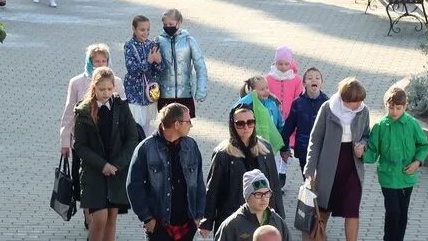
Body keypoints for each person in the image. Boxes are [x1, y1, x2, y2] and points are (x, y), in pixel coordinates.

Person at [74, 66, 142, 241]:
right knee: (100, 217)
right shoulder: (84, 111)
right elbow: (80, 146)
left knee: (112, 217)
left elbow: (132, 137)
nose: (106, 93)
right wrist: (102, 165)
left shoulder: (121, 107)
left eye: (109, 89)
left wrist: (117, 165)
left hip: (117, 172)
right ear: (94, 87)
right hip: (94, 172)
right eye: (102, 89)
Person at [126, 103, 206, 241]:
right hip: (159, 226)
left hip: (187, 225)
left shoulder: (191, 146)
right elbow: (134, 186)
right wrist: (147, 219)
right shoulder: (145, 148)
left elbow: (199, 182)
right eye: (188, 121)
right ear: (177, 124)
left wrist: (198, 216)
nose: (191, 125)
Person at [304, 78, 371, 241]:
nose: (358, 105)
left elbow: (367, 135)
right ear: (344, 99)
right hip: (329, 166)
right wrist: (310, 169)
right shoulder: (328, 108)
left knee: (352, 209)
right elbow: (315, 139)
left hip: (353, 165)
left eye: (360, 101)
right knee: (323, 208)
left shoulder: (363, 110)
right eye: (354, 102)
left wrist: (362, 145)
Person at [202, 106, 284, 233]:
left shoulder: (265, 149)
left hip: (263, 218)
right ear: (232, 125)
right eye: (240, 123)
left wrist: (280, 218)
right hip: (234, 219)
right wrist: (207, 222)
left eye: (250, 122)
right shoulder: (223, 153)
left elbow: (275, 185)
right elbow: (213, 189)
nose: (246, 127)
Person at [364, 86, 428, 241]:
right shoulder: (380, 126)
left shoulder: (412, 124)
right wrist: (361, 154)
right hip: (388, 177)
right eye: (391, 107)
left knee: (402, 212)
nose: (394, 112)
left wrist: (418, 162)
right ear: (385, 105)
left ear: (405, 106)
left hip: (407, 176)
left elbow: (424, 145)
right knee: (393, 211)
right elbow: (373, 151)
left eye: (398, 108)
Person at [60, 45, 127, 157]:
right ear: (90, 62)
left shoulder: (117, 82)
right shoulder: (76, 82)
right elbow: (69, 113)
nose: (100, 65)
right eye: (96, 61)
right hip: (84, 139)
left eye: (103, 61)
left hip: (110, 139)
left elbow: (124, 112)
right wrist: (65, 142)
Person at [156, 9, 208, 115]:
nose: (167, 26)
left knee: (184, 126)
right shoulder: (158, 41)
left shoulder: (189, 41)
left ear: (179, 23)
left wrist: (201, 90)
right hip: (165, 95)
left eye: (171, 24)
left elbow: (200, 67)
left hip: (185, 94)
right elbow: (153, 67)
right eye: (165, 24)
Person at [213, 170, 290, 241]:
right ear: (247, 197)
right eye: (258, 194)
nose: (264, 198)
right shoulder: (232, 225)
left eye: (267, 193)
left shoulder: (277, 222)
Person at [280, 67, 327, 175]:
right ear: (304, 83)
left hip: (323, 149)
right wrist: (284, 148)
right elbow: (289, 126)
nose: (314, 80)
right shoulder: (298, 103)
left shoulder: (327, 103)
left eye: (317, 78)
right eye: (310, 78)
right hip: (303, 148)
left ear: (322, 83)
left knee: (322, 180)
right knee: (308, 179)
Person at [124, 15, 163, 127]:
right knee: (134, 125)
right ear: (134, 29)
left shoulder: (152, 45)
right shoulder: (129, 46)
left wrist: (159, 62)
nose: (145, 33)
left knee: (147, 125)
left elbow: (158, 71)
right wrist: (148, 61)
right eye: (142, 30)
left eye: (148, 29)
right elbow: (132, 70)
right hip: (134, 92)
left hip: (149, 93)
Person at [265, 48, 303, 144]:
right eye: (280, 64)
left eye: (286, 64)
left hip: (290, 115)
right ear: (275, 63)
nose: (283, 67)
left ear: (291, 63)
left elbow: (299, 98)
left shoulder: (296, 80)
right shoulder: (268, 79)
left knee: (288, 140)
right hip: (272, 115)